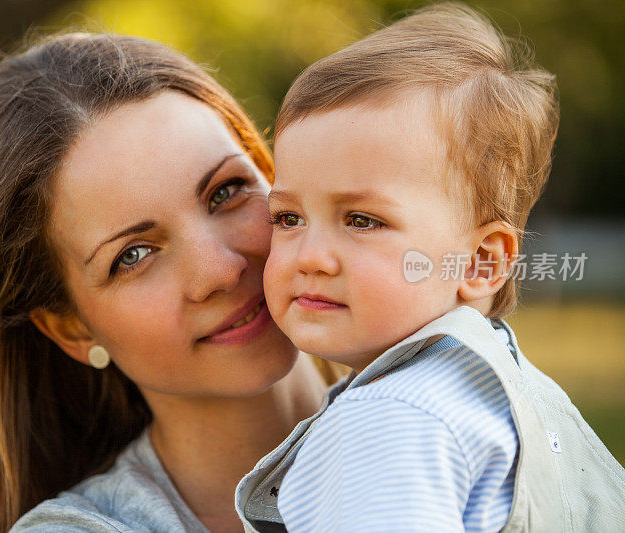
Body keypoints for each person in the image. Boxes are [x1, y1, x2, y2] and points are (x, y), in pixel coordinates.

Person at [0, 33, 336, 533]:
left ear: (271, 177)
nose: (219, 271)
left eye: (225, 191)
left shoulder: (433, 367)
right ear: (73, 328)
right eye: (132, 256)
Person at [236, 3, 625, 532]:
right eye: (287, 217)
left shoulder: (388, 422)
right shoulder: (497, 392)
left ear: (482, 262)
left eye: (362, 220)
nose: (309, 256)